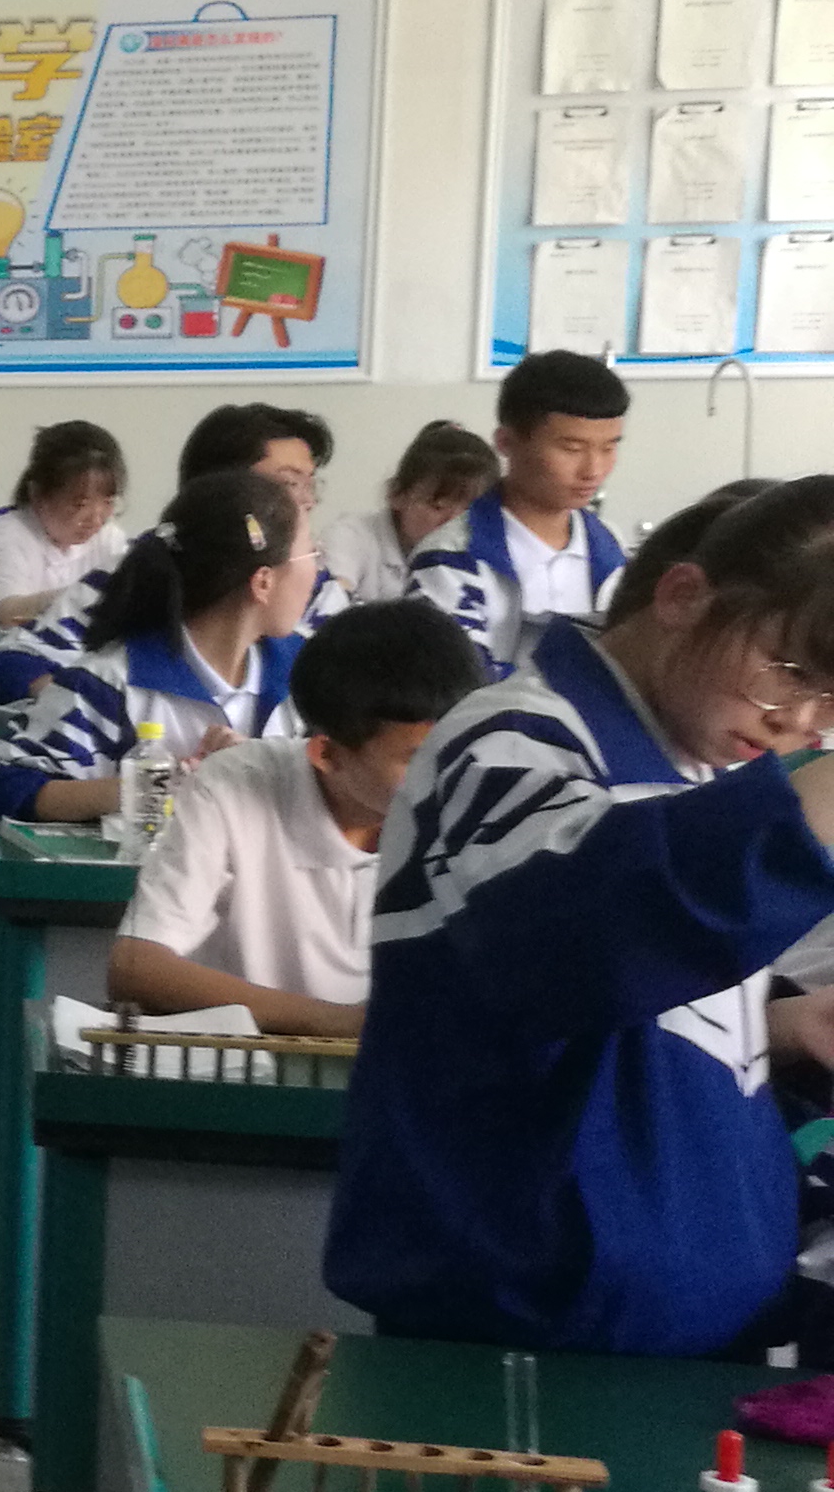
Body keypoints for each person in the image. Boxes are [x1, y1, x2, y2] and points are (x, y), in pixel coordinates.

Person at [328, 478, 834, 1356]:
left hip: (680, 1341)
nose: (801, 721)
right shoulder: (510, 738)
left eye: (833, 701)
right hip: (525, 1348)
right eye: (789, 672)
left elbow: (642, 1008)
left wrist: (783, 1025)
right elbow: (571, 941)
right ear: (682, 596)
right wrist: (806, 815)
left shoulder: (693, 770)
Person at [107, 599, 478, 1039]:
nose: (448, 774)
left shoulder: (481, 802)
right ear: (326, 754)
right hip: (254, 1070)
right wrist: (340, 1023)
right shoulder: (234, 785)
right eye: (418, 758)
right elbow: (136, 967)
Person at [0, 473, 319, 828]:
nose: (318, 571)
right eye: (311, 554)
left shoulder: (311, 673)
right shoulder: (116, 681)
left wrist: (260, 769)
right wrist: (153, 786)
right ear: (263, 582)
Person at [0, 402, 344, 708]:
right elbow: (8, 666)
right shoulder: (142, 573)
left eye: (310, 484)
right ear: (221, 488)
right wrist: (94, 706)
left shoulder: (319, 592)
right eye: (289, 483)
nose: (306, 501)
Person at [411, 348, 632, 679]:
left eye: (609, 447)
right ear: (506, 442)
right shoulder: (449, 560)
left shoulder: (612, 550)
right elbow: (452, 689)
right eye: (572, 449)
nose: (594, 470)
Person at [0, 423, 130, 643]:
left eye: (108, 502)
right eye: (79, 505)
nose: (96, 520)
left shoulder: (108, 538)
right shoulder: (2, 538)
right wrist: (86, 595)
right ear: (37, 494)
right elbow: (6, 614)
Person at [319, 421, 496, 623]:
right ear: (396, 494)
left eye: (467, 514)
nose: (451, 524)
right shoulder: (351, 537)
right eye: (438, 507)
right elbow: (325, 611)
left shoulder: (487, 553)